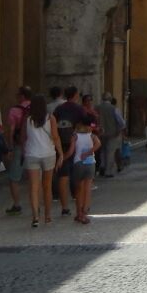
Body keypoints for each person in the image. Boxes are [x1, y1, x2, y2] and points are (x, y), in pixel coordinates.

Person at [20, 93, 61, 226]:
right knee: (47, 186)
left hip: (32, 154)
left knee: (33, 187)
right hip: (48, 154)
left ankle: (35, 217)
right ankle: (48, 215)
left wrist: (23, 150)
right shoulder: (50, 118)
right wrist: (61, 153)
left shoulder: (27, 119)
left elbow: (23, 138)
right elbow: (55, 137)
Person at [52, 86, 84, 216]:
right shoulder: (79, 109)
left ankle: (64, 207)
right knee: (78, 177)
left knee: (63, 176)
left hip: (60, 145)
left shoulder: (59, 109)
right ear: (76, 95)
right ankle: (79, 205)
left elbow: (53, 126)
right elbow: (87, 125)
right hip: (76, 144)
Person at [4, 86, 33, 215]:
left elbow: (11, 130)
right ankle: (36, 204)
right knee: (34, 177)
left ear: (21, 96)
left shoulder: (14, 110)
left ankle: (17, 203)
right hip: (34, 146)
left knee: (14, 178)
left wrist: (9, 147)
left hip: (19, 147)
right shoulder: (37, 109)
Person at [68, 114, 100, 225]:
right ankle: (85, 212)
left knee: (79, 190)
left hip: (78, 163)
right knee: (87, 189)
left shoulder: (75, 135)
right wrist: (88, 153)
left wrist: (63, 158)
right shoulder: (91, 135)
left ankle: (79, 213)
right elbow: (98, 144)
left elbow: (71, 151)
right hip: (90, 163)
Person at [95, 93, 125, 177]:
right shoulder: (114, 109)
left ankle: (102, 167)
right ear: (110, 99)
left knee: (102, 152)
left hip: (100, 134)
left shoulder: (96, 108)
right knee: (110, 153)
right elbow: (121, 123)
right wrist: (119, 131)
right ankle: (108, 171)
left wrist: (95, 128)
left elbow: (92, 122)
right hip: (112, 134)